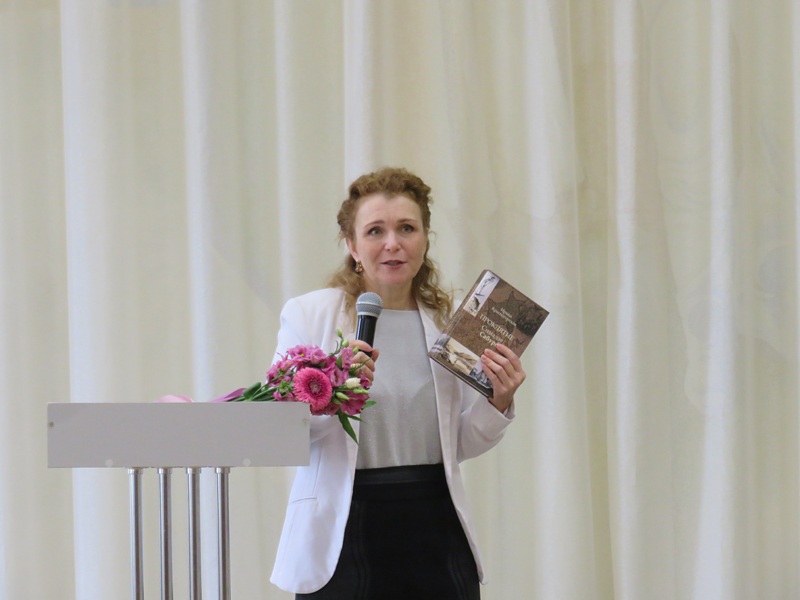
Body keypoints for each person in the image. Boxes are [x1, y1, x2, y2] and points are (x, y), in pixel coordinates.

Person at [270, 167, 527, 599]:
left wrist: (497, 402)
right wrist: (336, 390)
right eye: (375, 231)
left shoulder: (451, 323)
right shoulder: (309, 315)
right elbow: (283, 430)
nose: (393, 243)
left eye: (407, 228)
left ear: (425, 240)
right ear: (352, 246)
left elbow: (456, 444)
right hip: (344, 529)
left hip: (435, 524)